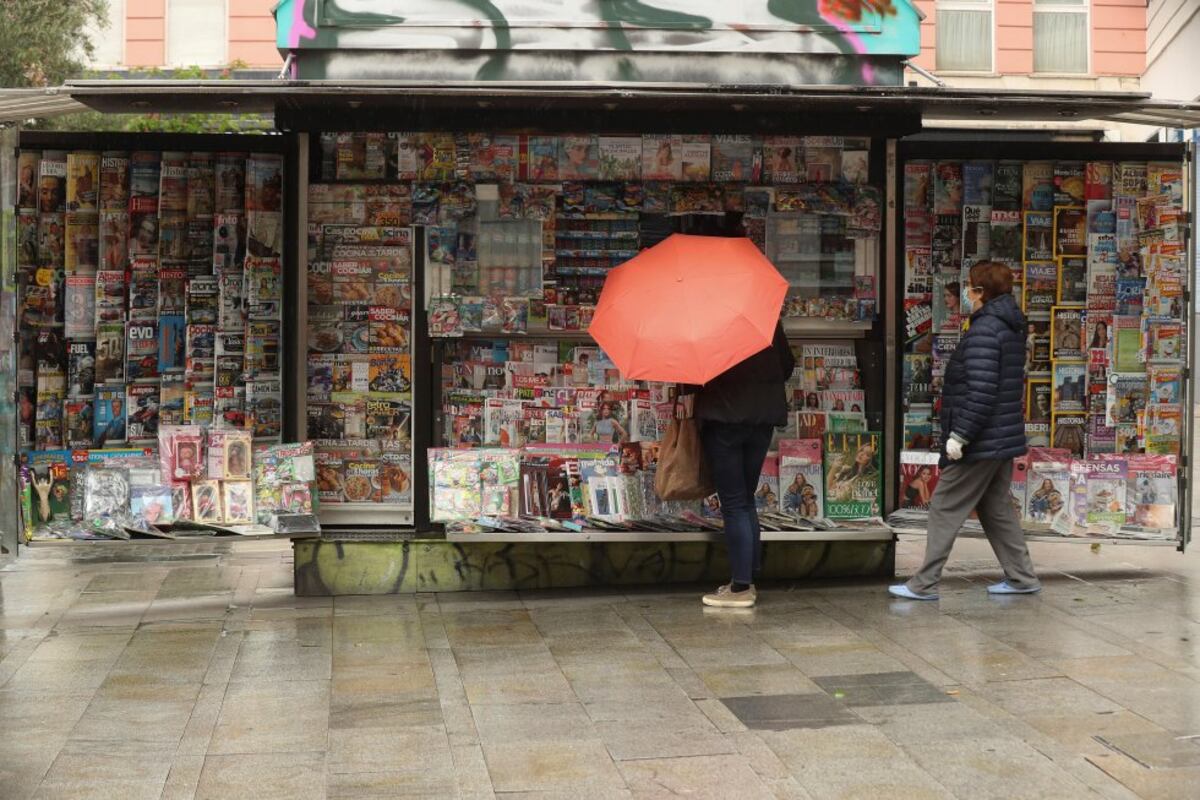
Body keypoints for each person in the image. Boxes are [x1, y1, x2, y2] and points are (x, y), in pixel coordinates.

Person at [890, 261, 1041, 600]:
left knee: (944, 504)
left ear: (981, 293)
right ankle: (1021, 577)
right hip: (1000, 436)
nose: (967, 293)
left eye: (970, 287)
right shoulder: (1010, 325)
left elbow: (982, 391)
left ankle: (924, 583)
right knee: (995, 507)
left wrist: (960, 437)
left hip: (981, 438)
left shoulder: (986, 330)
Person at [691, 319, 795, 608]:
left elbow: (694, 377)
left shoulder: (707, 325)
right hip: (761, 419)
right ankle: (747, 574)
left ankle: (740, 587)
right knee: (746, 499)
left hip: (724, 419)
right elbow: (786, 366)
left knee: (734, 503)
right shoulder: (764, 319)